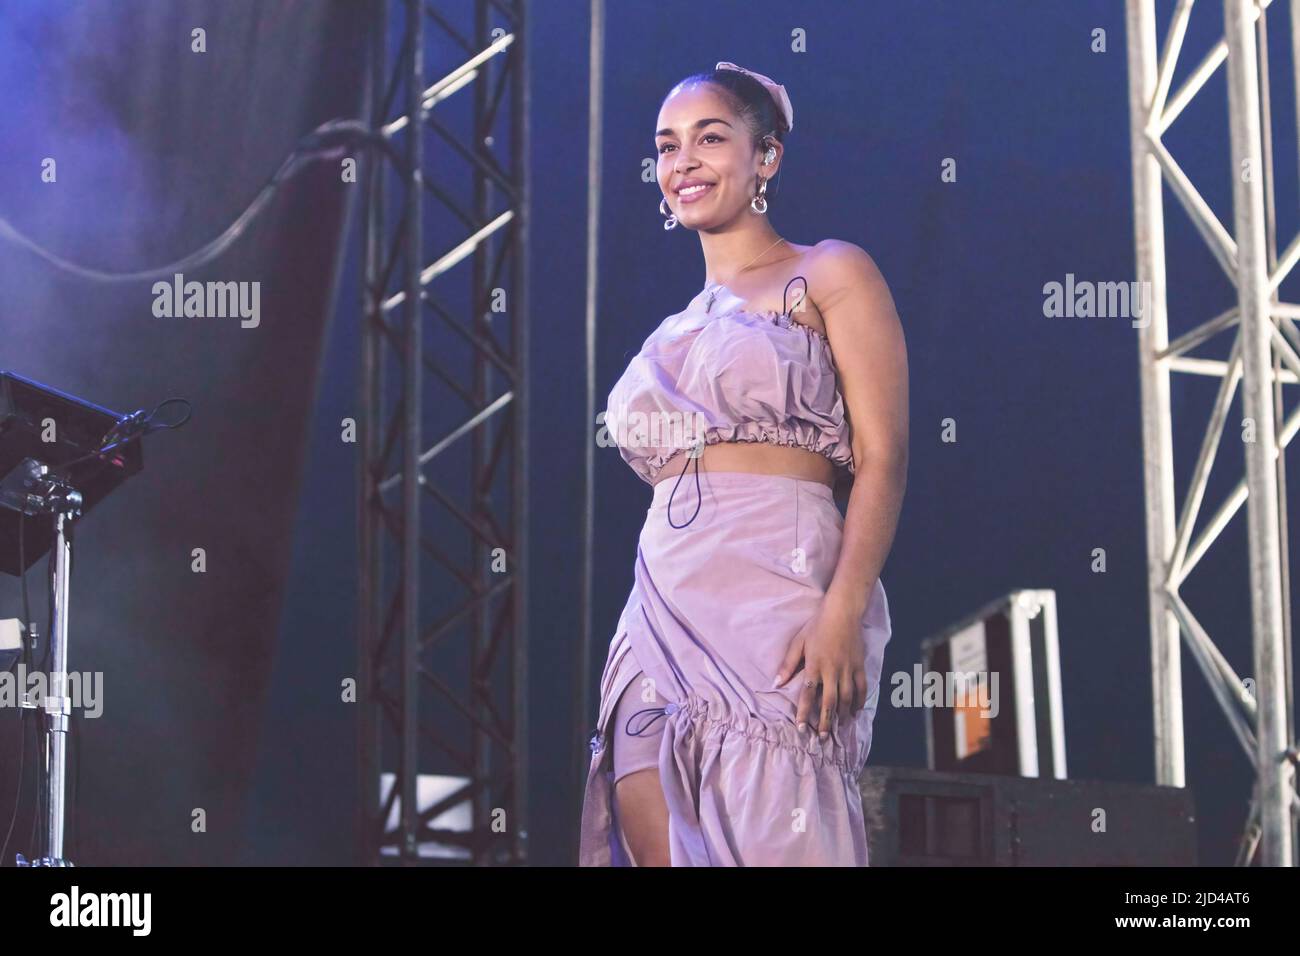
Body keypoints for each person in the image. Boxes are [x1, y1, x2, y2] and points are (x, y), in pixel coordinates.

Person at [578, 61, 908, 866]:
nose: (683, 161)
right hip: (666, 592)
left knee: (773, 813)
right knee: (645, 792)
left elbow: (885, 456)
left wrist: (841, 609)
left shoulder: (829, 270)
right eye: (667, 146)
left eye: (710, 138)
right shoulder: (671, 330)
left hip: (781, 585)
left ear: (767, 157)